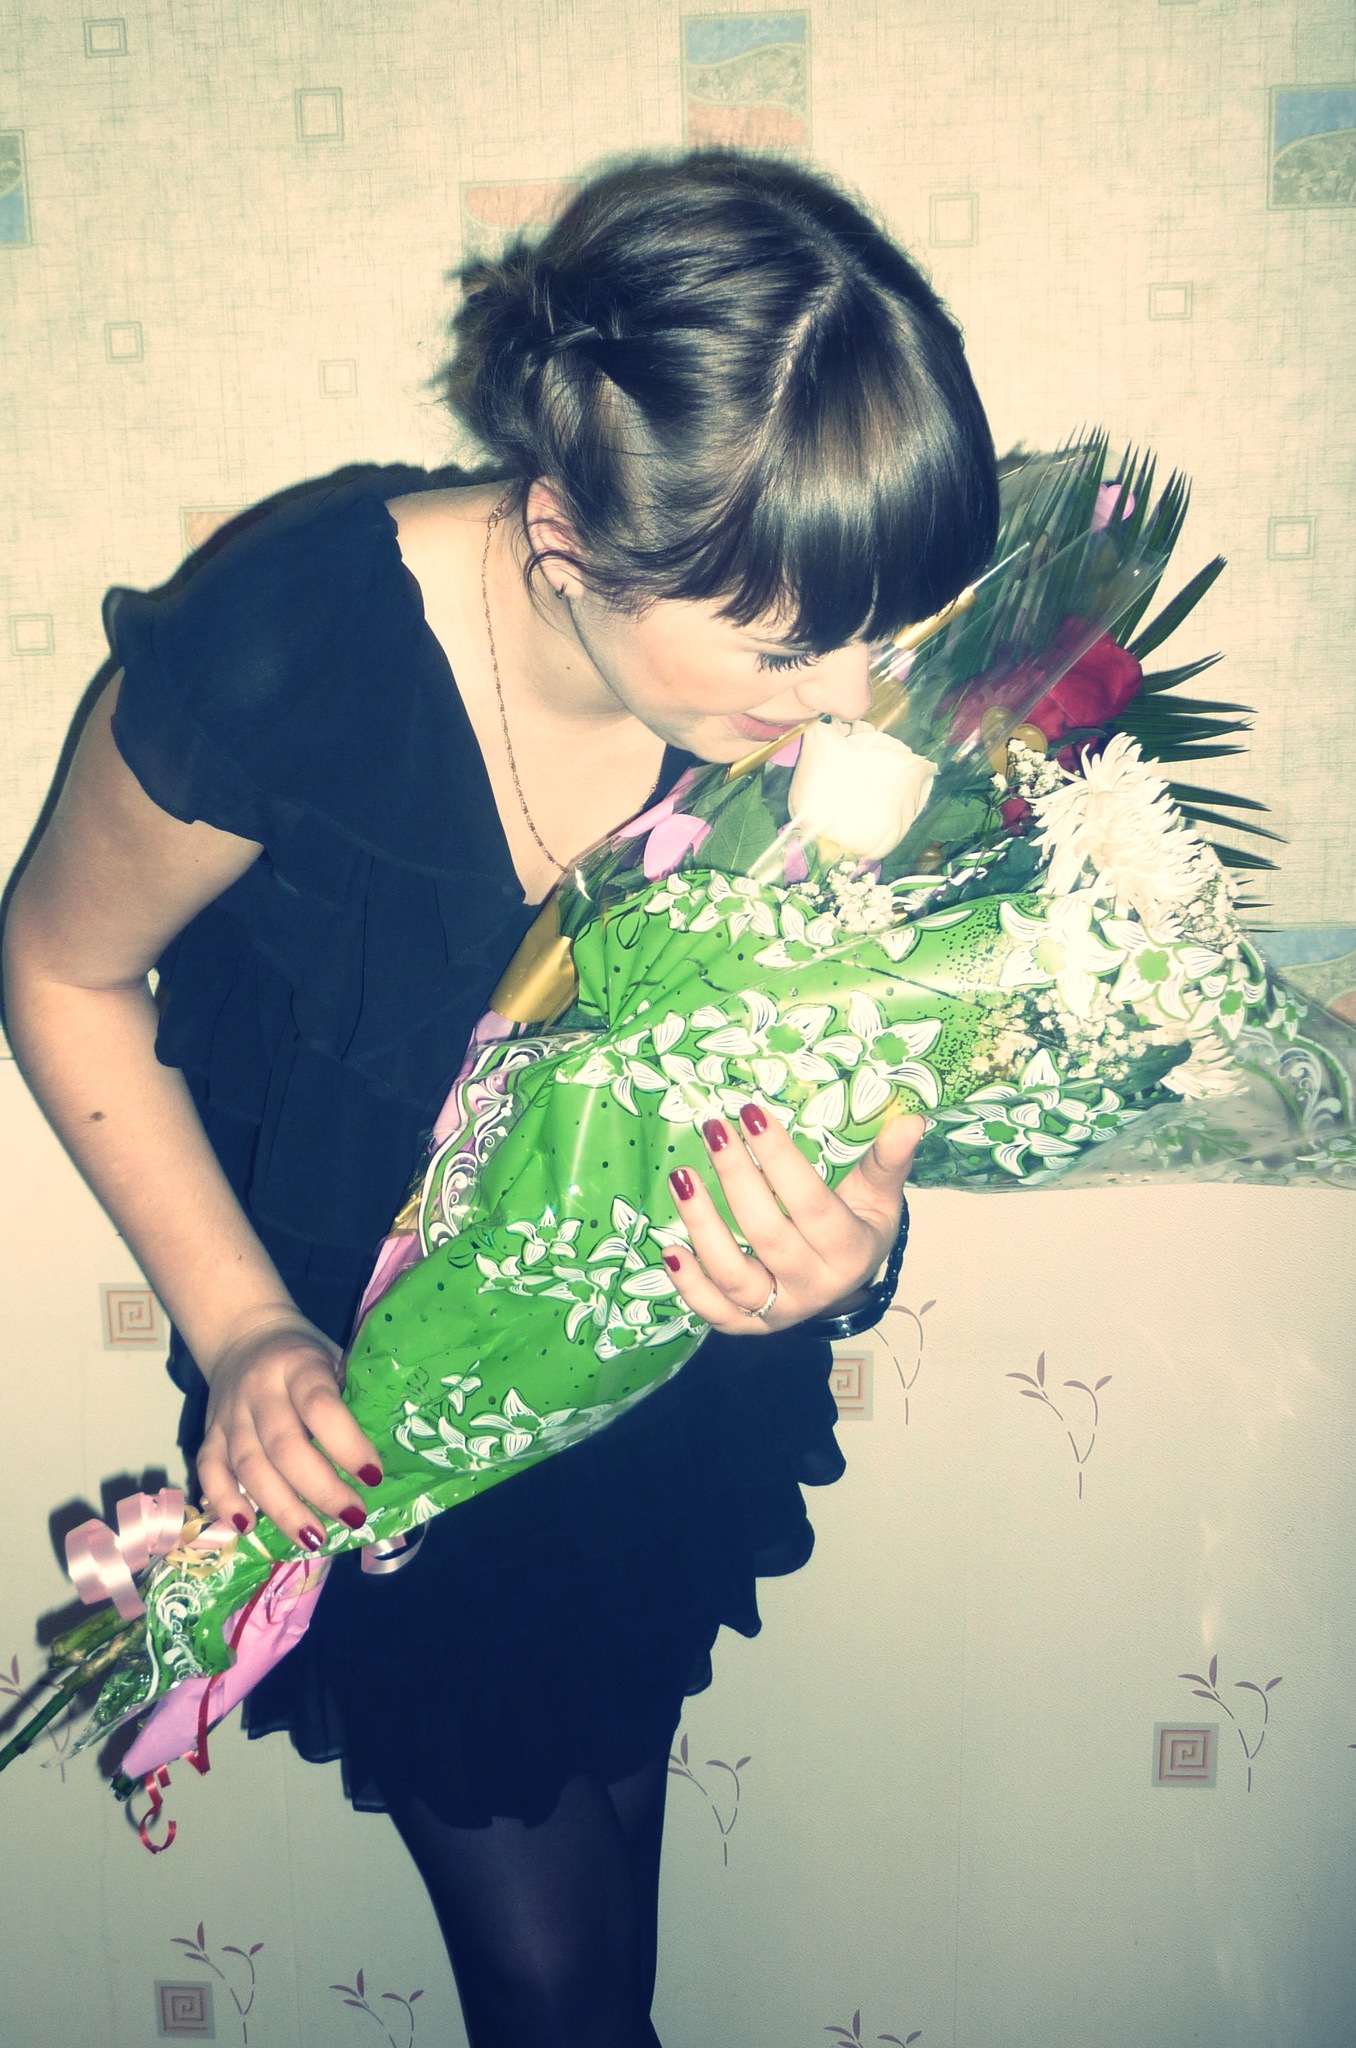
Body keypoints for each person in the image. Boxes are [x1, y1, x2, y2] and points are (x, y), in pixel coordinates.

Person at [1, 151, 997, 2047]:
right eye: (791, 647)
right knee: (562, 1990)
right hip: (384, 1423)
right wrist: (242, 1330)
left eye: (883, 630)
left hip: (656, 1408)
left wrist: (849, 1241)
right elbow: (59, 969)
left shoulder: (812, 686)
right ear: (565, 536)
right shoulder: (291, 649)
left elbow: (850, 1044)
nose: (856, 699)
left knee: (602, 1954)